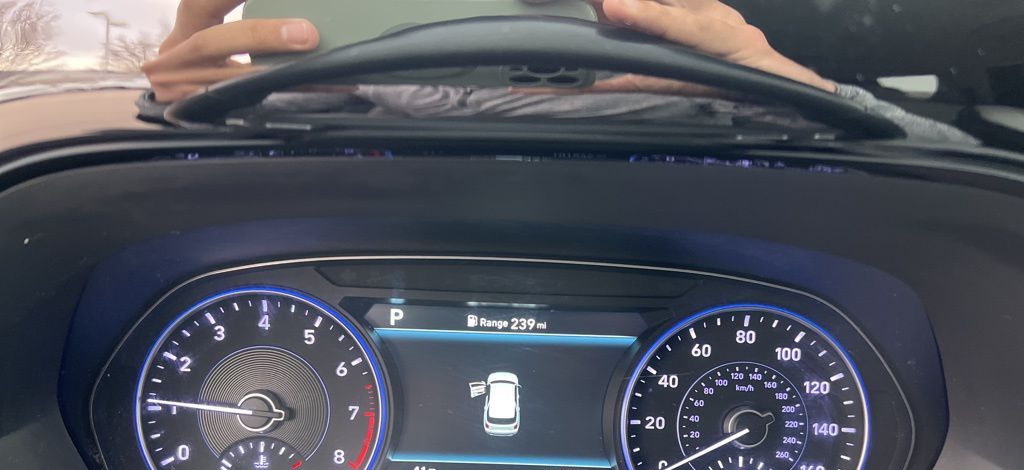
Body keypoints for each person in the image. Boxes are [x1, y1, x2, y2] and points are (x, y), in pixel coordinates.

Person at [142, 0, 974, 143]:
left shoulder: (728, 90)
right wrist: (187, 106)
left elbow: (967, 176)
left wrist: (787, 84)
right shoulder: (319, 96)